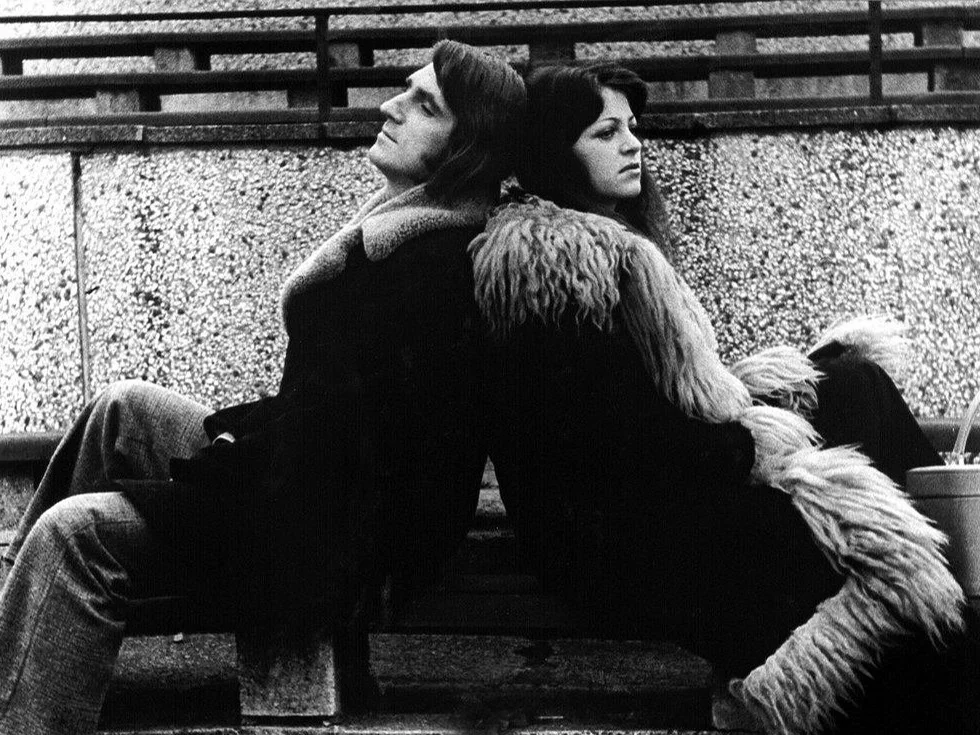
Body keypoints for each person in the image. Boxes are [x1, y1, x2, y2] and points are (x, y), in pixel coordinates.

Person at [0, 40, 525, 735]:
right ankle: (12, 636)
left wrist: (220, 466)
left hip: (334, 536)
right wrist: (241, 442)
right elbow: (326, 416)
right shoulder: (400, 236)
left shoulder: (436, 272)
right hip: (307, 485)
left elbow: (347, 454)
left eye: (424, 105)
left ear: (468, 149)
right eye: (406, 89)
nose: (391, 106)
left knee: (74, 536)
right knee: (121, 409)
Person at [470, 62, 978, 734]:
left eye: (632, 128)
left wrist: (754, 412)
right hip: (627, 539)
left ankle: (953, 578)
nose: (633, 144)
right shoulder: (554, 268)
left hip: (666, 496)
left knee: (855, 381)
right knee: (879, 574)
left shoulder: (603, 246)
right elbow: (613, 443)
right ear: (554, 151)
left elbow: (655, 406)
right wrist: (747, 441)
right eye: (605, 132)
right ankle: (941, 610)